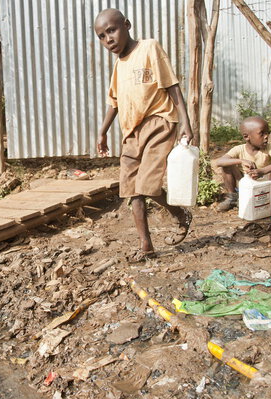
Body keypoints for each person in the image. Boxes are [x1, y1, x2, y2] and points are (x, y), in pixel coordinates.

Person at [94, 8, 194, 262]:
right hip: (131, 132)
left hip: (158, 122)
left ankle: (179, 214)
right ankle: (146, 246)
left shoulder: (149, 48)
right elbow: (113, 102)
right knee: (131, 191)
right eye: (102, 36)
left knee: (148, 187)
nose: (108, 40)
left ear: (126, 25)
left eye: (112, 31)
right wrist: (102, 132)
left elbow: (172, 85)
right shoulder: (119, 66)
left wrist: (186, 122)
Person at [214, 116, 271, 212]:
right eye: (261, 133)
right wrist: (241, 161)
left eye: (267, 133)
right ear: (246, 137)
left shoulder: (268, 148)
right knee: (226, 165)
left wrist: (262, 171)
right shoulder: (239, 149)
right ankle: (232, 198)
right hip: (244, 185)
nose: (266, 136)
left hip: (264, 185)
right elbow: (219, 162)